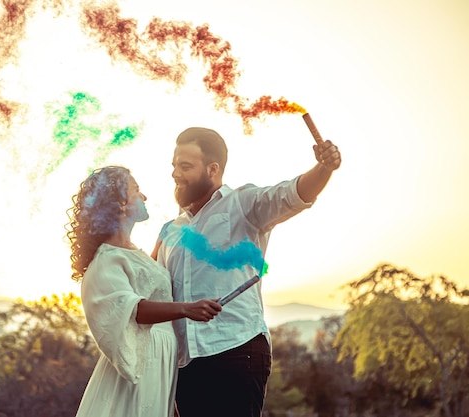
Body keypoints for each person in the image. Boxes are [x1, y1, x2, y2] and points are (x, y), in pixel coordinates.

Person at [152, 127, 342, 417]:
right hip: (186, 364)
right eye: (175, 165)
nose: (175, 173)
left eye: (185, 166)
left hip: (237, 352)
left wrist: (323, 168)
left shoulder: (243, 204)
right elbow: (152, 288)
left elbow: (294, 193)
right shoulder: (170, 231)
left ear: (212, 169)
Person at [66, 166, 222, 417]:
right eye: (136, 190)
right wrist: (187, 309)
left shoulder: (135, 254)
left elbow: (149, 284)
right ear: (120, 204)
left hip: (160, 364)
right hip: (138, 371)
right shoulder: (106, 260)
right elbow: (131, 309)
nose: (144, 197)